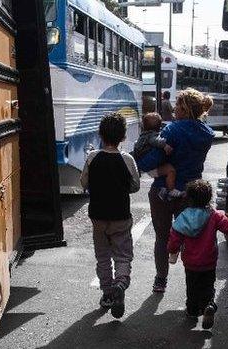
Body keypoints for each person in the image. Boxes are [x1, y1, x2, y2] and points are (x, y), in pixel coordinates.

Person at [149, 88, 215, 293]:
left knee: (162, 236)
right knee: (191, 237)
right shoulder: (207, 134)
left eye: (178, 105)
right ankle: (193, 281)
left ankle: (161, 279)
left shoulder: (172, 130)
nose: (174, 108)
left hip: (162, 191)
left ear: (185, 109)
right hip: (191, 193)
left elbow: (156, 155)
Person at [167, 179, 228, 329]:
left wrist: (172, 250)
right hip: (208, 262)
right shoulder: (213, 215)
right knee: (208, 286)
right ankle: (209, 305)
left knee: (192, 287)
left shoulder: (183, 217)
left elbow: (175, 238)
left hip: (190, 263)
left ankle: (192, 310)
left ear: (189, 199)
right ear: (209, 198)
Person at [79, 113, 140, 318]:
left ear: (100, 134)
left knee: (103, 257)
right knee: (122, 255)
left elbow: (84, 183)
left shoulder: (92, 157)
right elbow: (135, 185)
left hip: (97, 216)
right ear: (123, 137)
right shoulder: (127, 159)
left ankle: (107, 294)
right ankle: (120, 284)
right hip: (121, 216)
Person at [132, 113, 182, 200]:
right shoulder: (152, 135)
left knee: (164, 172)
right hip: (151, 167)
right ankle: (171, 190)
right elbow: (156, 141)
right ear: (159, 126)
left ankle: (163, 189)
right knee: (171, 170)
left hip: (145, 166)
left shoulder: (142, 136)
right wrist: (165, 145)